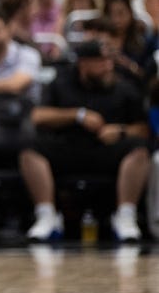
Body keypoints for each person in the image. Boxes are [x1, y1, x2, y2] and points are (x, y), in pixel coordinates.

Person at [23, 40, 150, 242]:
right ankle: (46, 215)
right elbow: (38, 116)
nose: (108, 66)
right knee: (30, 148)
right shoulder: (61, 83)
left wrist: (121, 130)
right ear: (84, 63)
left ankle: (126, 215)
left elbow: (144, 129)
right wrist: (77, 115)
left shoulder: (123, 87)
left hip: (107, 150)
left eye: (109, 61)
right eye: (101, 61)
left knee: (139, 149)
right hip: (68, 147)